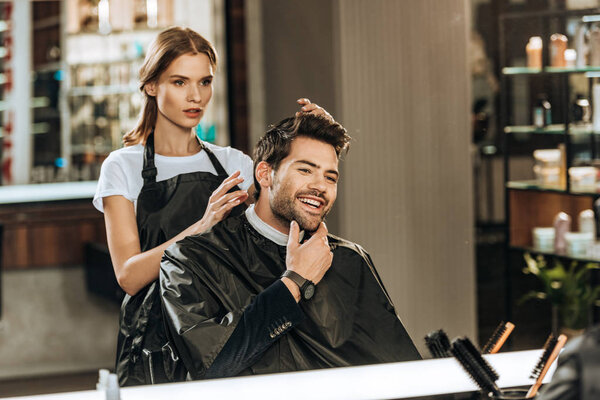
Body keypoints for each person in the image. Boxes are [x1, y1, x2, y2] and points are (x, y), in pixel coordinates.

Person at [92, 26, 332, 386]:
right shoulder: (121, 167)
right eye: (179, 82)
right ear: (151, 85)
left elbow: (293, 219)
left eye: (204, 82)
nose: (195, 96)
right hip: (157, 342)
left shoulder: (236, 163)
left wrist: (313, 137)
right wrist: (200, 227)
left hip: (231, 334)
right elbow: (128, 276)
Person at [159, 113, 421, 380]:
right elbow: (212, 366)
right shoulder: (190, 259)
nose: (320, 186)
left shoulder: (349, 259)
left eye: (330, 177)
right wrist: (294, 282)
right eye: (305, 170)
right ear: (265, 174)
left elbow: (402, 373)